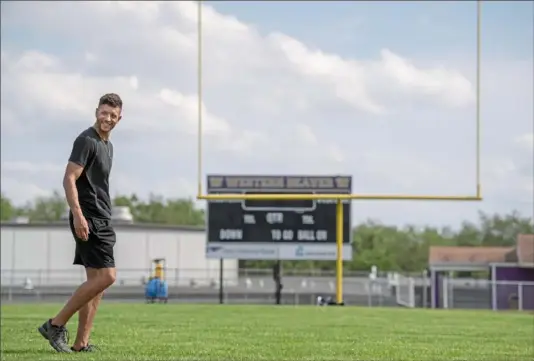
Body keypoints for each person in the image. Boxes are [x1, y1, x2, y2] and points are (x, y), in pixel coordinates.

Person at [38, 93, 123, 353]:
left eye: (113, 115)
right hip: (89, 217)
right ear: (96, 111)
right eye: (104, 112)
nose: (107, 118)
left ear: (119, 118)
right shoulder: (86, 140)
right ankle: (55, 324)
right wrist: (78, 215)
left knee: (96, 284)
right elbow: (69, 178)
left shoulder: (107, 145)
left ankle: (80, 343)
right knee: (107, 276)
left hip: (101, 216)